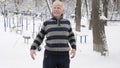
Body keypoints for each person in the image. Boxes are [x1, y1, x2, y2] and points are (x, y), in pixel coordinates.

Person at [30, 1, 76, 68]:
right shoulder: (47, 23)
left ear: (62, 11)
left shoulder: (67, 23)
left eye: (58, 8)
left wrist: (74, 48)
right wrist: (33, 47)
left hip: (64, 56)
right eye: (54, 8)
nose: (56, 9)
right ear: (52, 10)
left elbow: (71, 36)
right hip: (50, 56)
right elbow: (40, 36)